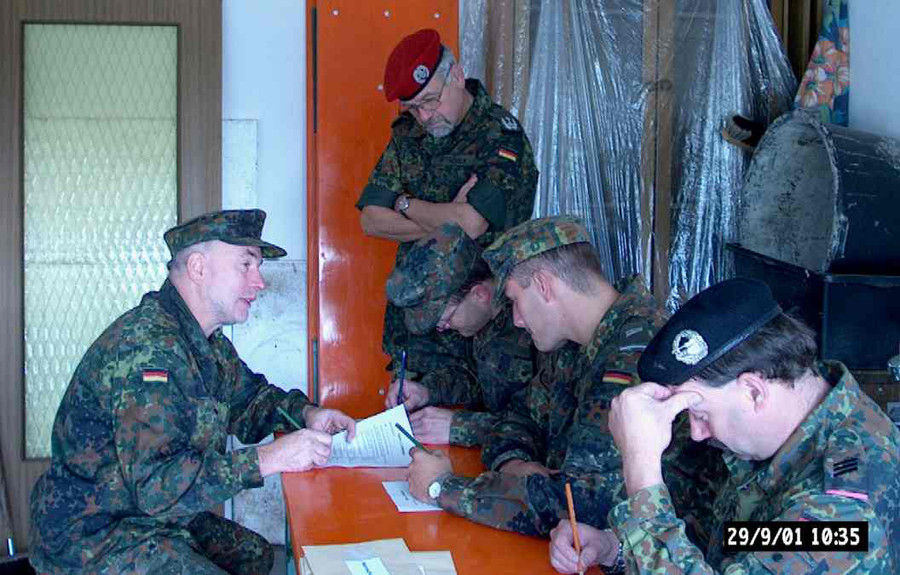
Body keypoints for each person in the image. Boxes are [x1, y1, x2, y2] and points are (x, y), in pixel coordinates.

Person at [29, 210, 357, 575]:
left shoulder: (203, 341)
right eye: (246, 264)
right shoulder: (149, 349)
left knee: (255, 555)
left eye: (258, 267)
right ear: (198, 268)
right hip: (95, 533)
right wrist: (271, 458)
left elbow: (251, 400)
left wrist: (308, 414)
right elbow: (157, 487)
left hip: (145, 515)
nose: (260, 282)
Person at [405, 216, 724, 562]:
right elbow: (520, 416)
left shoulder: (639, 351)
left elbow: (583, 504)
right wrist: (514, 461)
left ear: (544, 286)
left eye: (515, 300)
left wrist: (443, 487)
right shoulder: (571, 343)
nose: (516, 320)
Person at [552, 277, 900, 573]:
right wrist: (615, 548)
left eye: (701, 414)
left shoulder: (842, 509)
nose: (698, 433)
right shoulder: (792, 430)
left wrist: (641, 469)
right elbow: (735, 548)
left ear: (754, 391)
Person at [356, 28, 538, 409]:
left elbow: (472, 223)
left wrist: (403, 204)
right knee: (411, 427)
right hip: (420, 327)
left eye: (430, 100)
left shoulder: (500, 136)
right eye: (413, 108)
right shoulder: (409, 137)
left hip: (486, 323)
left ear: (456, 75)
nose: (424, 116)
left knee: (492, 427)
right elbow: (370, 220)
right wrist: (441, 215)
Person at [383, 222, 536, 446]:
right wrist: (428, 391)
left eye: (446, 318)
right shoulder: (479, 319)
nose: (442, 328)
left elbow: (545, 429)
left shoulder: (534, 323)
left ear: (479, 294)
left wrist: (461, 427)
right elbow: (479, 381)